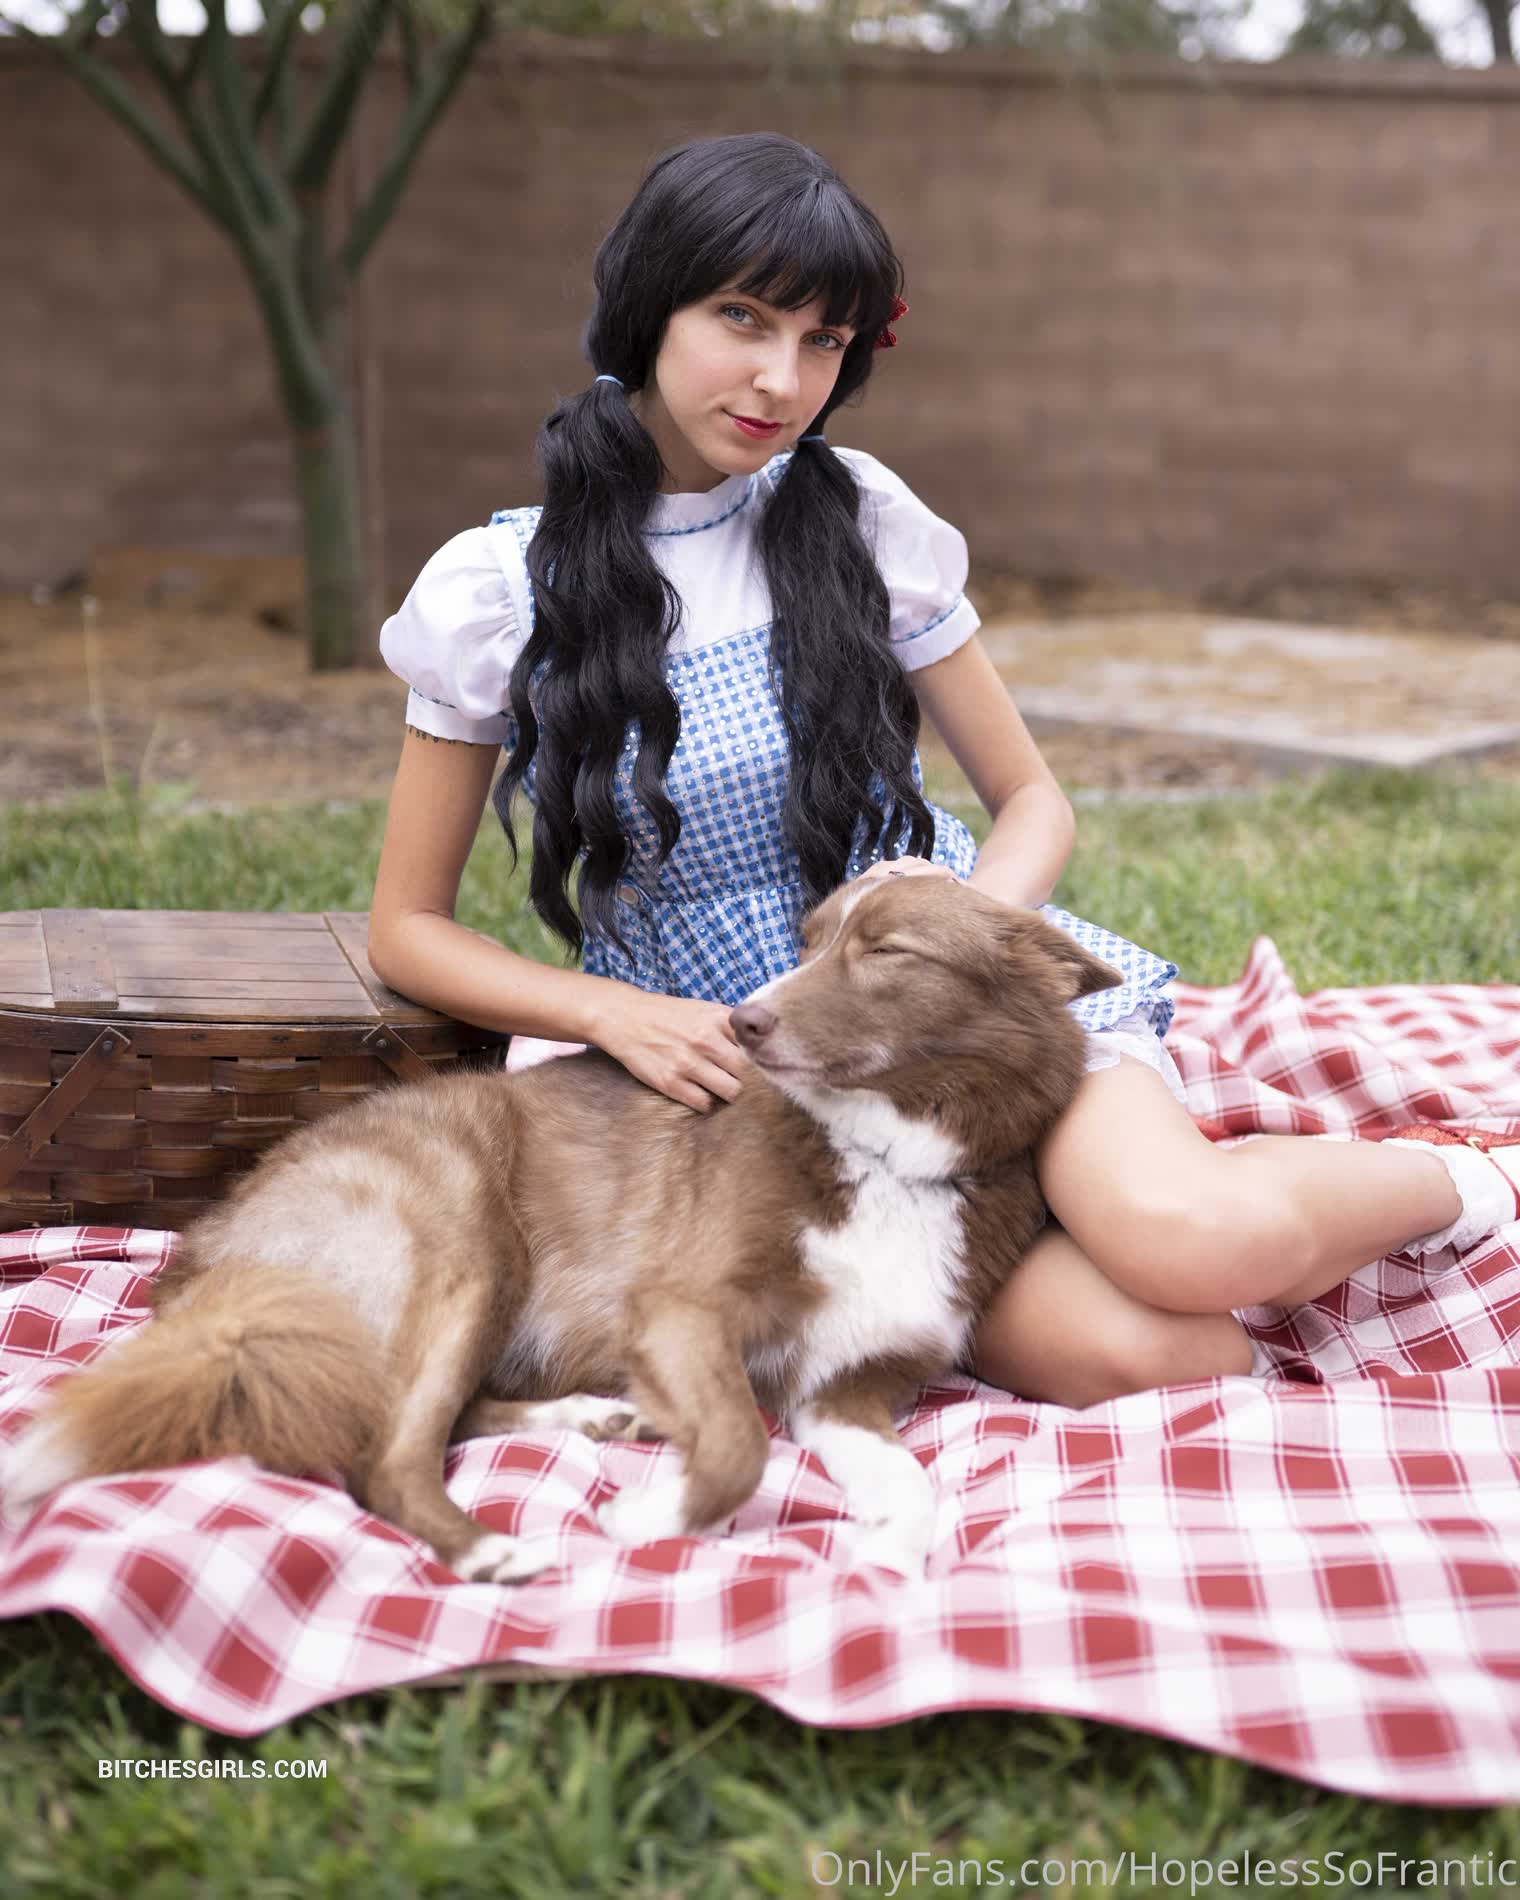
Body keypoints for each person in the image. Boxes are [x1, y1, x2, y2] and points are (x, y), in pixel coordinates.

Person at [369, 131, 1520, 1410]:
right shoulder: (496, 589)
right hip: (755, 1084)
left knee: (1187, 1240)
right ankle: (1111, 1222)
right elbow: (407, 927)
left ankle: (1467, 1170)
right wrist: (605, 1011)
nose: (780, 379)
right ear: (650, 306)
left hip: (963, 1016)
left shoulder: (856, 519)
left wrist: (958, 928)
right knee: (1155, 1355)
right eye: (741, 318)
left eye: (822, 341)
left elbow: (1032, 802)